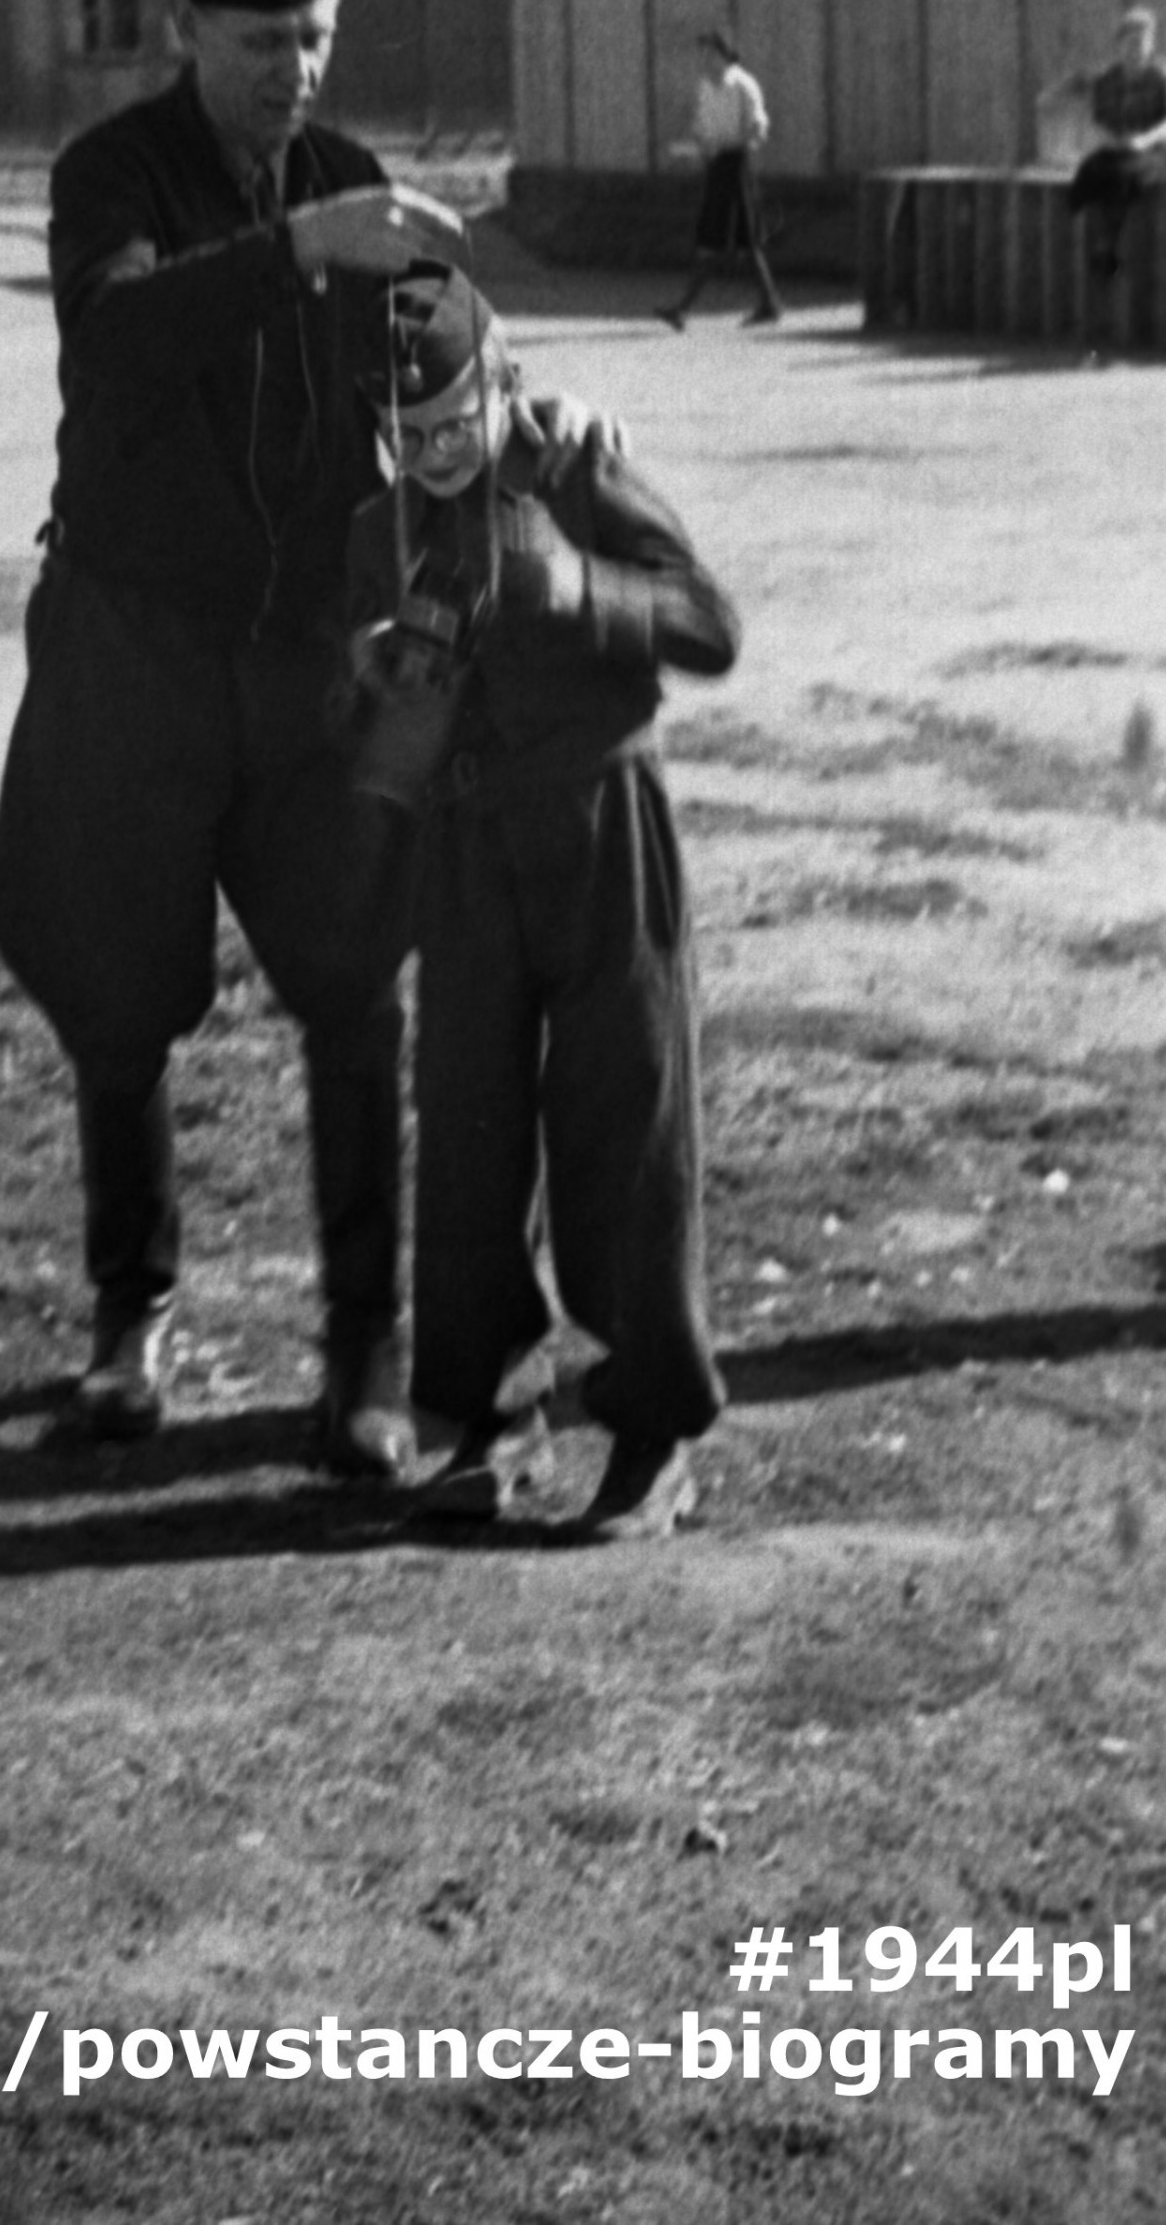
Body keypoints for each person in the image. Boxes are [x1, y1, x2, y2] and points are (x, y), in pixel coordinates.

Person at [0, 0, 541, 1477]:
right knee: (116, 991)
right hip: (133, 647)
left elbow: (425, 402)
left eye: (311, 38)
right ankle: (128, 1314)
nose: (289, 70)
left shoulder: (351, 176)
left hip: (308, 660)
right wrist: (299, 251)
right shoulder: (113, 173)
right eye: (254, 42)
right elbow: (115, 334)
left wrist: (471, 386)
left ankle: (363, 1350)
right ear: (182, 31)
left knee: (360, 988)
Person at [345, 265, 739, 1535]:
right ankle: (486, 1416)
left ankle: (651, 1429)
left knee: (628, 1123)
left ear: (502, 376)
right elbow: (351, 713)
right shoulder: (382, 522)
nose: (438, 455)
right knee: (465, 1131)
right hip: (465, 848)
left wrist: (586, 588)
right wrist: (369, 673)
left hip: (605, 825)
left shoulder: (575, 472)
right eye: (409, 436)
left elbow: (713, 624)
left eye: (456, 423)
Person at [1065, 7, 1166, 345]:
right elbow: (1096, 120)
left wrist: (1144, 139)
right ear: (1119, 45)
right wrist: (1111, 138)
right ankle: (1099, 246)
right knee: (1091, 173)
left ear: (1151, 44)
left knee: (1125, 175)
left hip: (1151, 148)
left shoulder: (1161, 76)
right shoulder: (1108, 79)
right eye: (1130, 42)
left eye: (1142, 41)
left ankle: (1108, 246)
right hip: (1116, 145)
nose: (1136, 48)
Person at [656, 30, 783, 330]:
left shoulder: (743, 85)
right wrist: (693, 148)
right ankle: (770, 303)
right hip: (716, 165)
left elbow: (758, 131)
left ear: (725, 54)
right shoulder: (705, 86)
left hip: (735, 166)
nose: (704, 60)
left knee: (716, 241)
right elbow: (701, 126)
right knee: (746, 241)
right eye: (702, 54)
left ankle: (682, 310)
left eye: (710, 54)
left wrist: (725, 144)